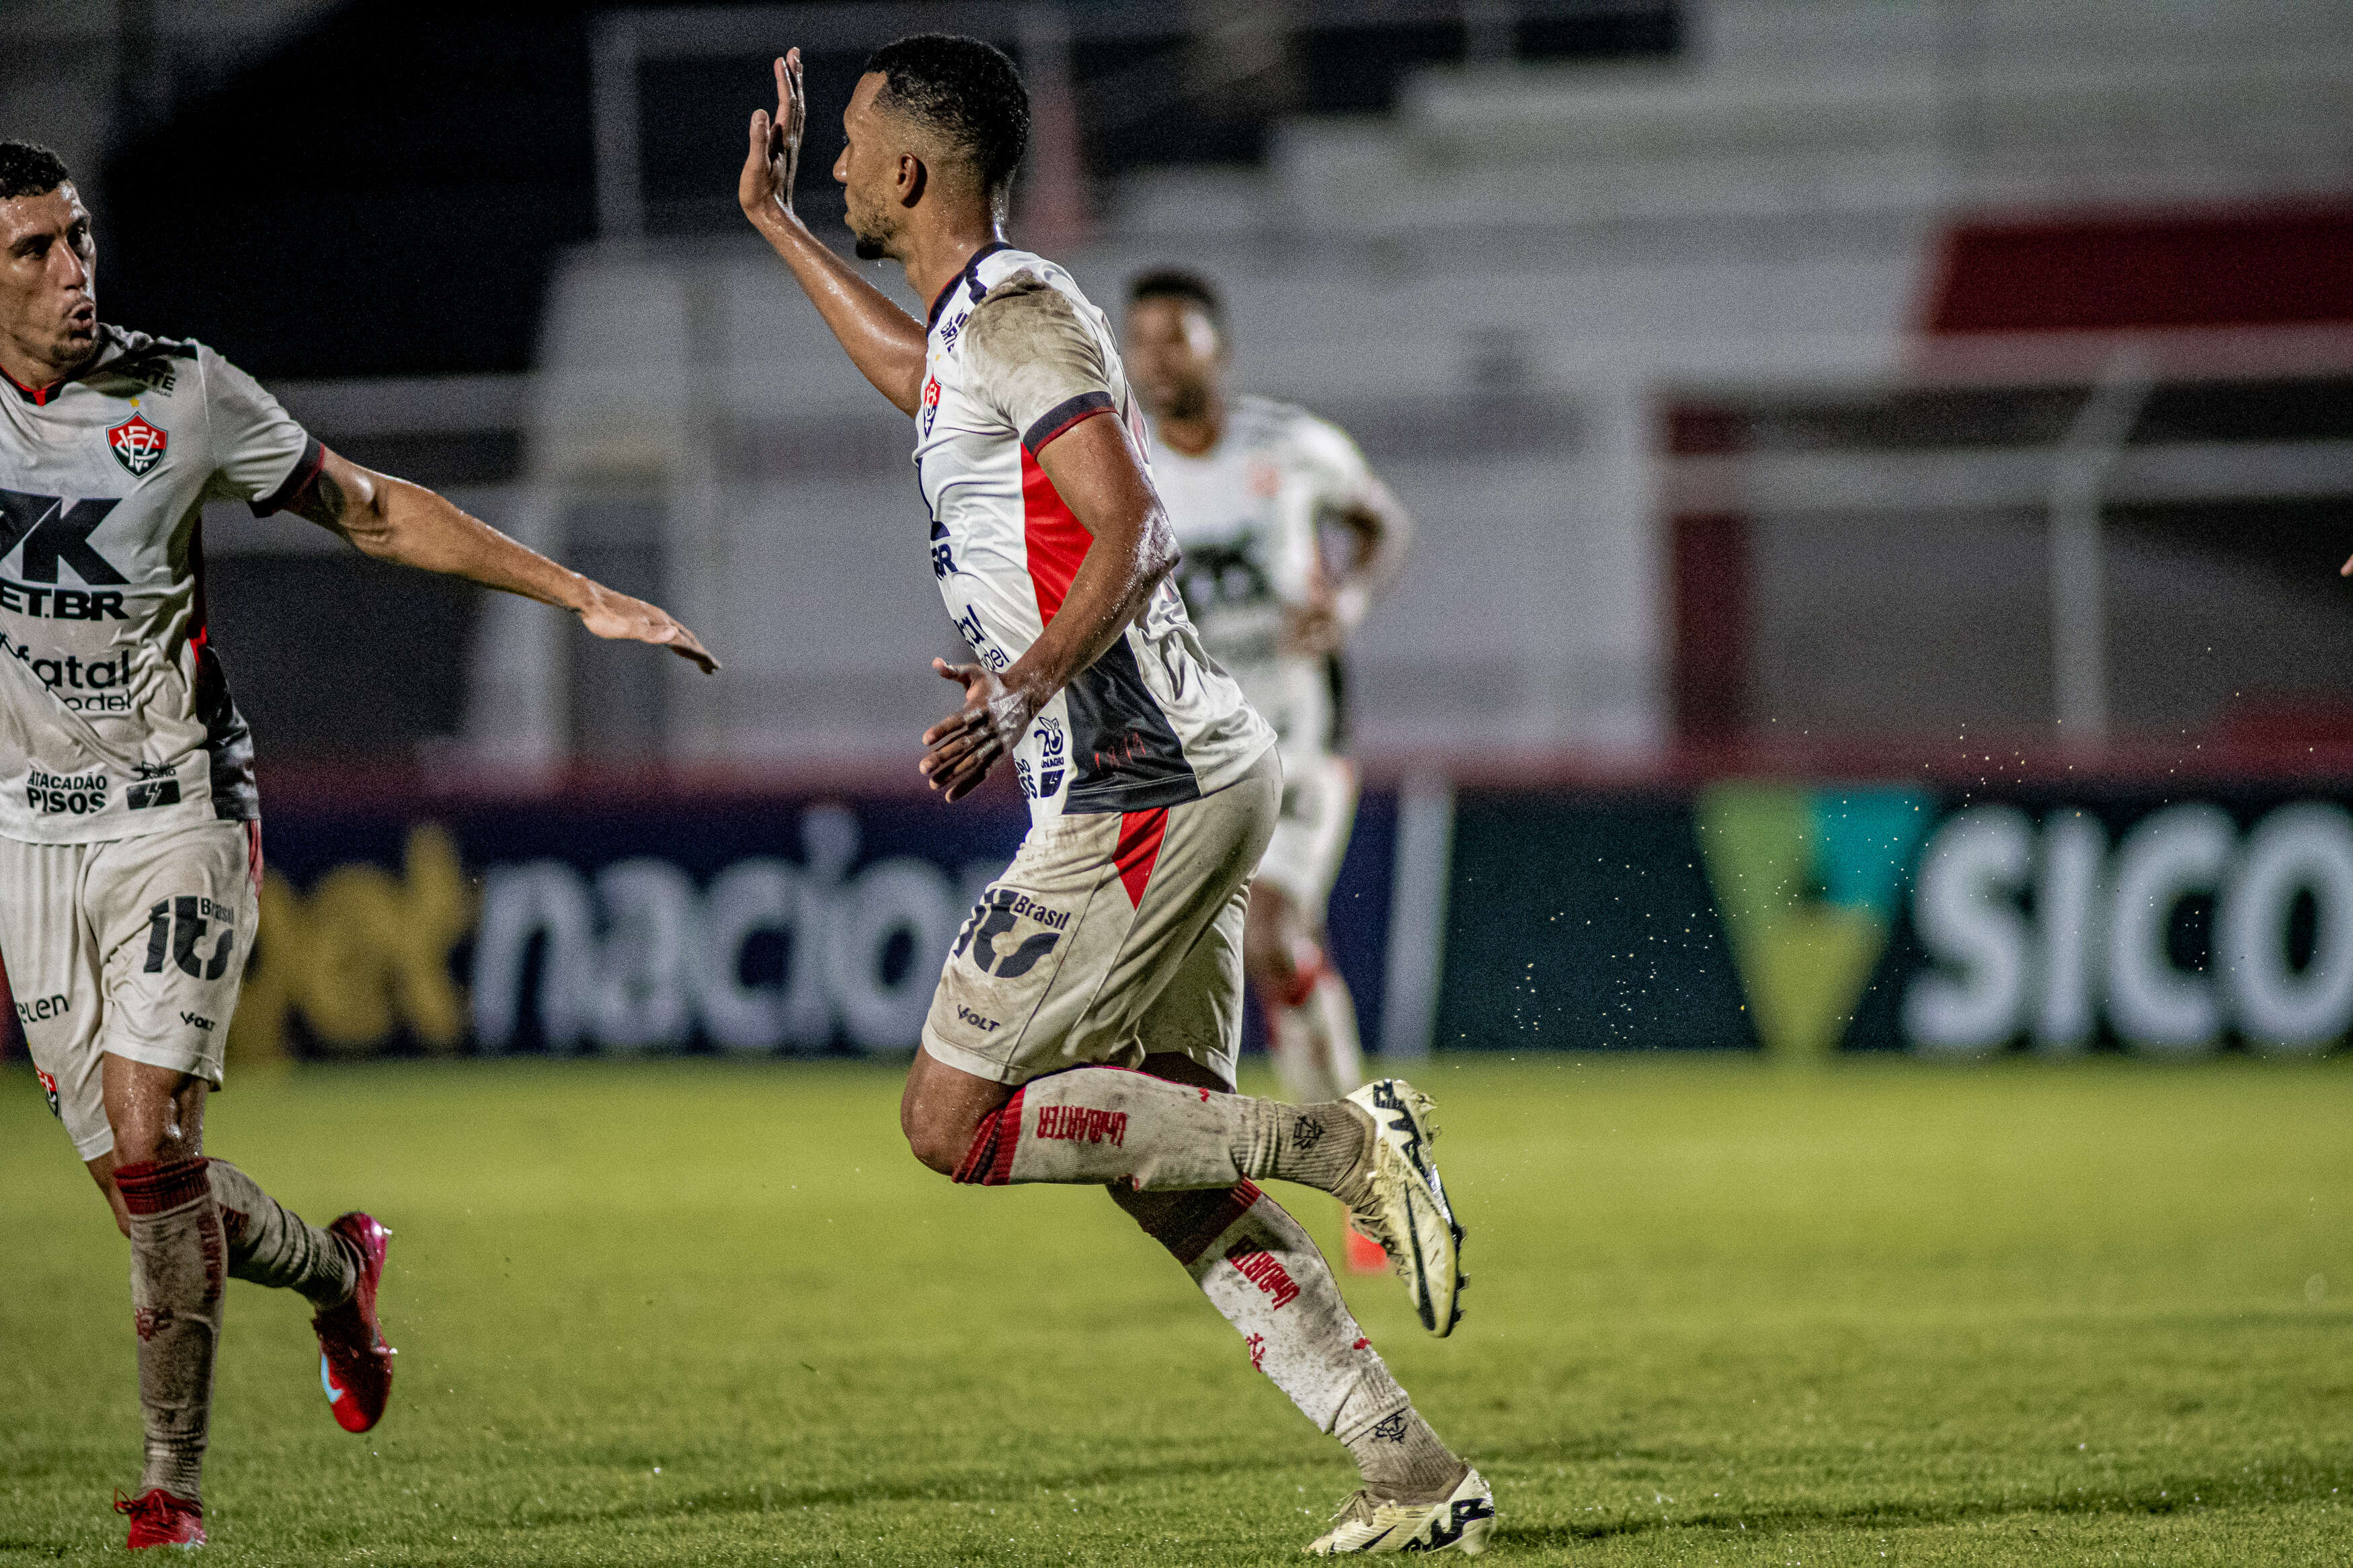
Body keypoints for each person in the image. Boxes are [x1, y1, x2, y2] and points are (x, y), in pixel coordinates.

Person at [737, 37, 1491, 1555]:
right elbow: (913, 378)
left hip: (1137, 781)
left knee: (950, 1120)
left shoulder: (1015, 320)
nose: (834, 168)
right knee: (1163, 1164)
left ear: (907, 169)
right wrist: (776, 230)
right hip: (1171, 766)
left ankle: (1341, 1145)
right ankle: (1412, 1472)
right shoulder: (973, 326)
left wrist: (1019, 692)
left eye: (848, 153)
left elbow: (1134, 529)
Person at [0, 139, 717, 1550]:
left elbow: (373, 509)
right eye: (35, 250)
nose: (75, 270)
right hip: (28, 833)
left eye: (78, 239)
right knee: (151, 1194)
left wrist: (579, 595)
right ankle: (336, 1274)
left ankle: (173, 1491)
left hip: (177, 810)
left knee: (154, 1148)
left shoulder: (181, 390)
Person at [1122, 269, 1414, 1276]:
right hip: (1193, 753)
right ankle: (1353, 1149)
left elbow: (1384, 523)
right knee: (1231, 964)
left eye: (1178, 337)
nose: (1159, 357)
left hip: (1300, 731)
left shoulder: (1292, 446)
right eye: (1144, 340)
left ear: (1220, 350)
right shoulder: (1122, 467)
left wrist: (1353, 601)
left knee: (1279, 930)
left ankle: (1359, 1167)